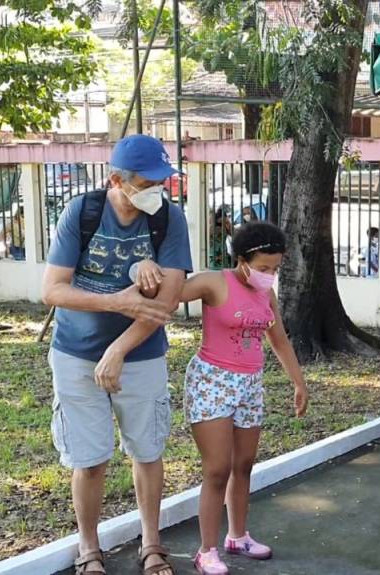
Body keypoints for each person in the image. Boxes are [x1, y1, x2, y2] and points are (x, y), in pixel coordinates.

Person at [41, 134, 191, 575]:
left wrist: (118, 349)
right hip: (75, 354)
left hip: (141, 355)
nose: (156, 192)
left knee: (147, 452)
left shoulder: (169, 218)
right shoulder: (82, 212)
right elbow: (52, 290)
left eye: (163, 181)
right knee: (89, 459)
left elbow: (166, 302)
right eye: (148, 182)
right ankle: (89, 548)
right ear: (117, 181)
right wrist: (116, 302)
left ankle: (151, 543)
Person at [133, 223, 307, 575]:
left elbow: (280, 340)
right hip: (212, 381)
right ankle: (206, 550)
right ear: (241, 260)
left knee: (244, 465)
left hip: (250, 384)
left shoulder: (265, 293)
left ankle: (238, 536)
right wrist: (143, 267)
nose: (269, 275)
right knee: (217, 469)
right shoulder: (215, 282)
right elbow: (170, 293)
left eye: (275, 268)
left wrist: (298, 383)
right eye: (262, 268)